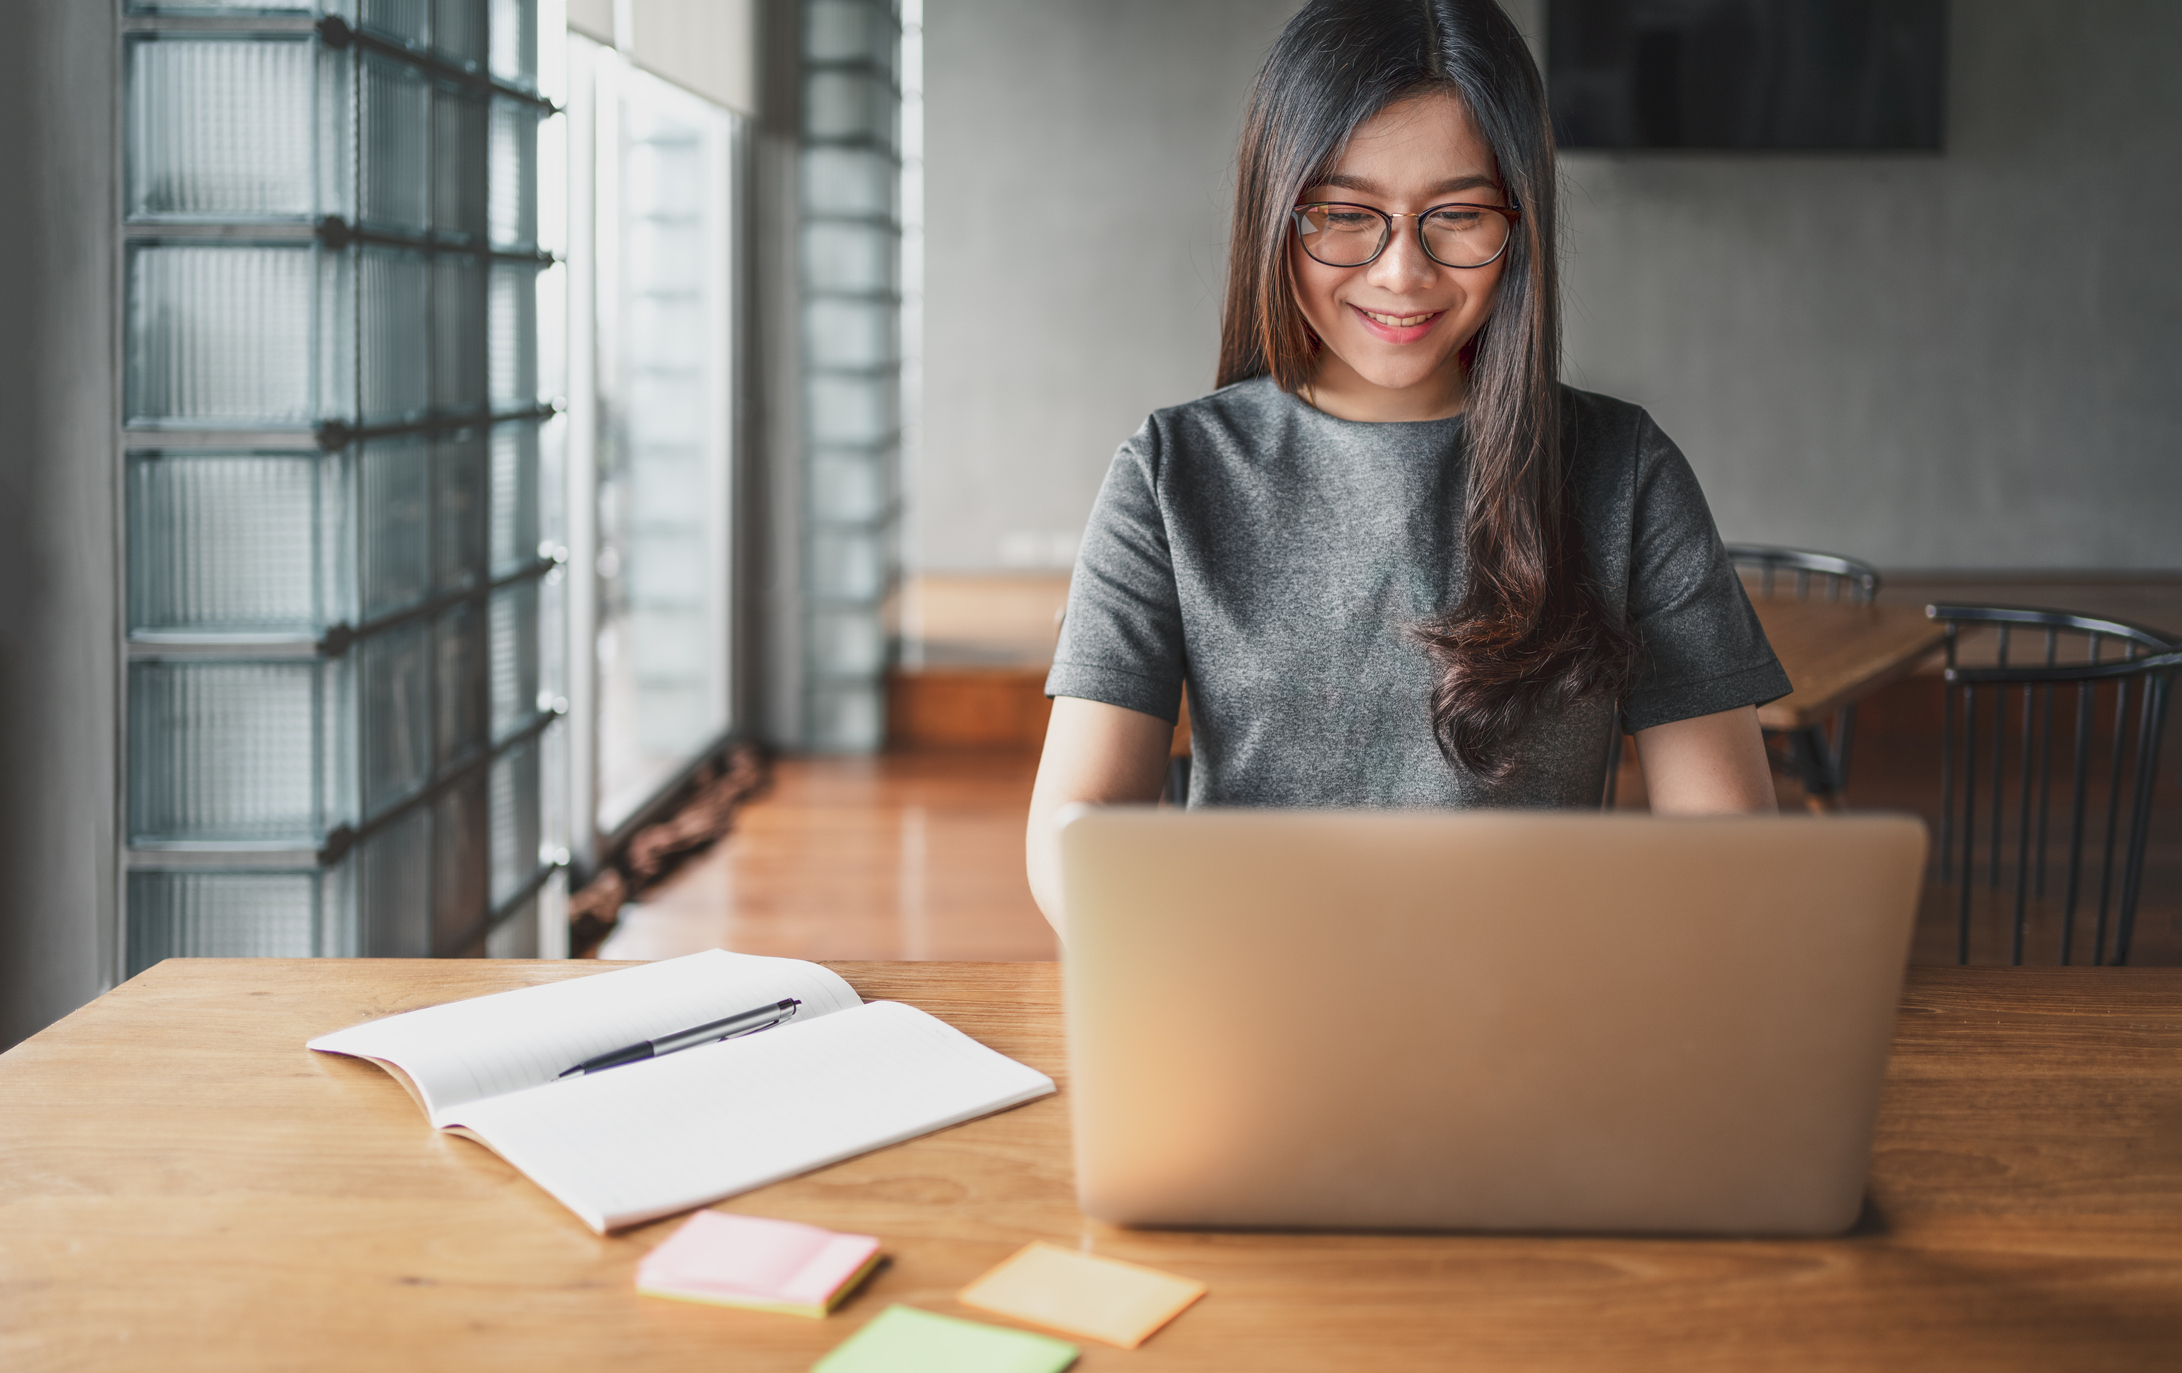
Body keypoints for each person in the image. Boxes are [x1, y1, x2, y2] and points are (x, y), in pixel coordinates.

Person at [1025, 0, 1788, 933]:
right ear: (1278, 211)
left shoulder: (1624, 471)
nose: (1401, 272)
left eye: (1458, 216)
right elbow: (1079, 819)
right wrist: (1159, 926)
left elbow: (1728, 843)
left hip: (1532, 1017)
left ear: (1521, 219)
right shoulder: (1170, 473)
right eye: (1347, 215)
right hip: (1250, 1001)